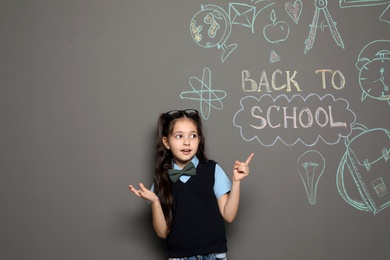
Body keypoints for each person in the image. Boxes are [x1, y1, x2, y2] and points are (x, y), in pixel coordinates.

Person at [129, 109, 253, 260]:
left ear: (199, 140)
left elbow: (229, 215)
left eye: (193, 136)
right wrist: (155, 201)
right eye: (179, 136)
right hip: (179, 256)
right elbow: (162, 233)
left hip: (214, 254)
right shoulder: (161, 179)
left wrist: (236, 182)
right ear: (166, 142)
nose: (187, 142)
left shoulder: (212, 170)